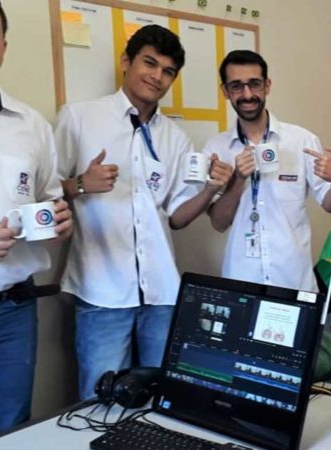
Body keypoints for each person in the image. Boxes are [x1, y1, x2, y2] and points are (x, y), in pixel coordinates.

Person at [54, 24, 233, 400]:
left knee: (161, 398)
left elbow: (178, 217)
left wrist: (212, 190)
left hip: (162, 292)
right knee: (98, 401)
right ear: (126, 62)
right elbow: (46, 196)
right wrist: (81, 184)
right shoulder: (80, 118)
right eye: (149, 63)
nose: (157, 76)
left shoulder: (175, 138)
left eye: (168, 71)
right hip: (101, 291)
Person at [0, 0, 72, 438]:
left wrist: (60, 220)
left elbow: (50, 198)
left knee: (7, 436)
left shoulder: (32, 124)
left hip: (11, 313)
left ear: (3, 46)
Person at [206, 50, 331, 291]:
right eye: (236, 86)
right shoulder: (216, 148)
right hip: (242, 282)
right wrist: (238, 180)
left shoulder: (302, 141)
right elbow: (219, 222)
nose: (247, 94)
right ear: (225, 91)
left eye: (254, 84)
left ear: (267, 86)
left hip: (293, 281)